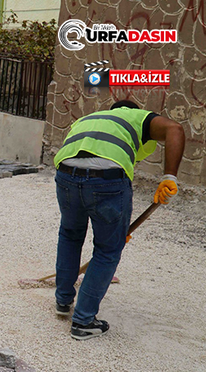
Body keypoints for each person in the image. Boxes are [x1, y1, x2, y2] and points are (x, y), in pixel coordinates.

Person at [53, 100, 185, 340]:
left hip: (66, 173)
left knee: (70, 235)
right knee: (108, 250)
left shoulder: (91, 119)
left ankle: (63, 301)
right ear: (132, 110)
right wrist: (170, 177)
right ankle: (83, 322)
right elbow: (175, 129)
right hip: (107, 179)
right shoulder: (136, 117)